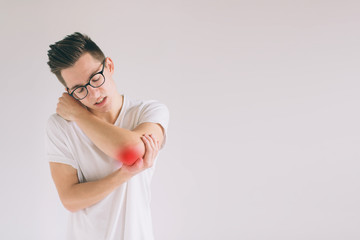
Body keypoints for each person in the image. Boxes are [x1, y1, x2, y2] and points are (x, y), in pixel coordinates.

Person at [45, 32, 169, 240]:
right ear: (69, 92)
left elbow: (132, 152)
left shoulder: (149, 111)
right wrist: (124, 175)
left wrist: (78, 114)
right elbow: (70, 199)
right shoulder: (60, 126)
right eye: (79, 89)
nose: (93, 93)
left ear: (109, 66)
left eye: (95, 78)